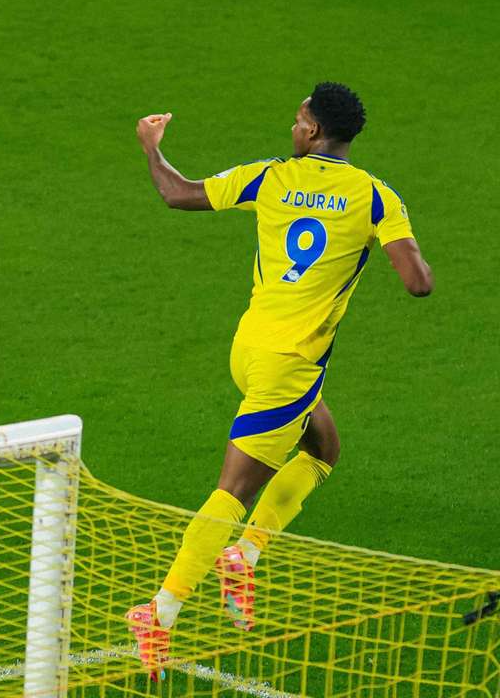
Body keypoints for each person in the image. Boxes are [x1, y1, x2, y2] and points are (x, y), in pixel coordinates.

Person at [126, 82, 433, 680]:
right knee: (234, 492)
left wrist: (151, 147)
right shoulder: (376, 197)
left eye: (298, 120)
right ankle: (159, 612)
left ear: (313, 130)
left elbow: (177, 193)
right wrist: (397, 244)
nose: (293, 128)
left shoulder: (269, 177)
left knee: (323, 446)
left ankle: (244, 556)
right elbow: (418, 282)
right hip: (289, 366)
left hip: (249, 348)